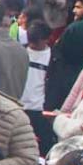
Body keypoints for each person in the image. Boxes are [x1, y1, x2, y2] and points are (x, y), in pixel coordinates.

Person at [23, 21, 54, 155]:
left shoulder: (53, 58)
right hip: (19, 104)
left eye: (36, 42)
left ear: (47, 39)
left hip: (39, 108)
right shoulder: (21, 52)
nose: (33, 45)